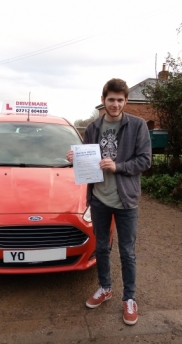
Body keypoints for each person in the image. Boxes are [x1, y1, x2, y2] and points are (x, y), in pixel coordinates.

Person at [66, 78, 151, 325]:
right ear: (103, 100)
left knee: (127, 252)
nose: (115, 104)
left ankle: (129, 298)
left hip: (126, 200)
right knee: (101, 247)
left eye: (120, 100)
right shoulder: (93, 127)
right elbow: (86, 160)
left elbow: (145, 160)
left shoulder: (137, 126)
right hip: (100, 199)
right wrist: (75, 157)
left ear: (125, 101)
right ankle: (105, 288)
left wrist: (118, 166)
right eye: (111, 99)